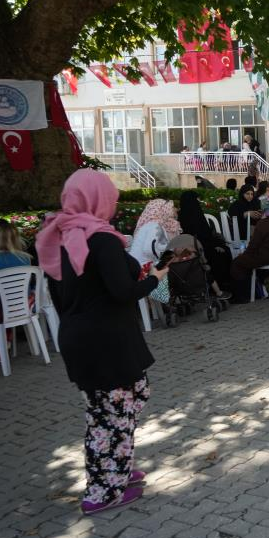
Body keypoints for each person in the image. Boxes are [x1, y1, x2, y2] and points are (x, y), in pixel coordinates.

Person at [36, 170, 167, 514]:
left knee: (112, 409)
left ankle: (116, 469)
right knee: (111, 416)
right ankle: (103, 492)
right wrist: (154, 280)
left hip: (80, 338)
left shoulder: (61, 236)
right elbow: (122, 292)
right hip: (107, 340)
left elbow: (61, 295)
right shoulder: (100, 239)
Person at [177, 191, 234, 290]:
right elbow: (198, 237)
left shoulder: (194, 214)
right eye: (196, 200)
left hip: (204, 245)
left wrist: (216, 244)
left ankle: (224, 285)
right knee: (219, 255)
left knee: (224, 250)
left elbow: (206, 234)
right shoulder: (186, 217)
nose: (198, 202)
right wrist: (214, 246)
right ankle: (221, 286)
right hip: (196, 249)